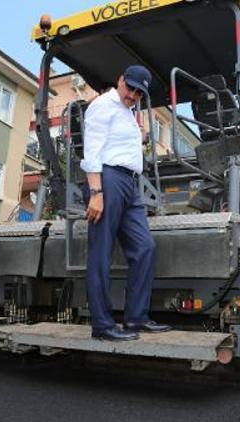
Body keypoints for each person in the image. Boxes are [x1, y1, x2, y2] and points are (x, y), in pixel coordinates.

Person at [81, 65, 171, 341]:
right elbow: (92, 150)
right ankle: (102, 325)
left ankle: (135, 318)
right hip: (106, 180)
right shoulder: (103, 106)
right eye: (129, 87)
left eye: (138, 93)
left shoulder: (129, 113)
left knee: (145, 247)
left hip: (130, 183)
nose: (132, 95)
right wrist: (96, 192)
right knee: (101, 253)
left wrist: (140, 137)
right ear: (120, 80)